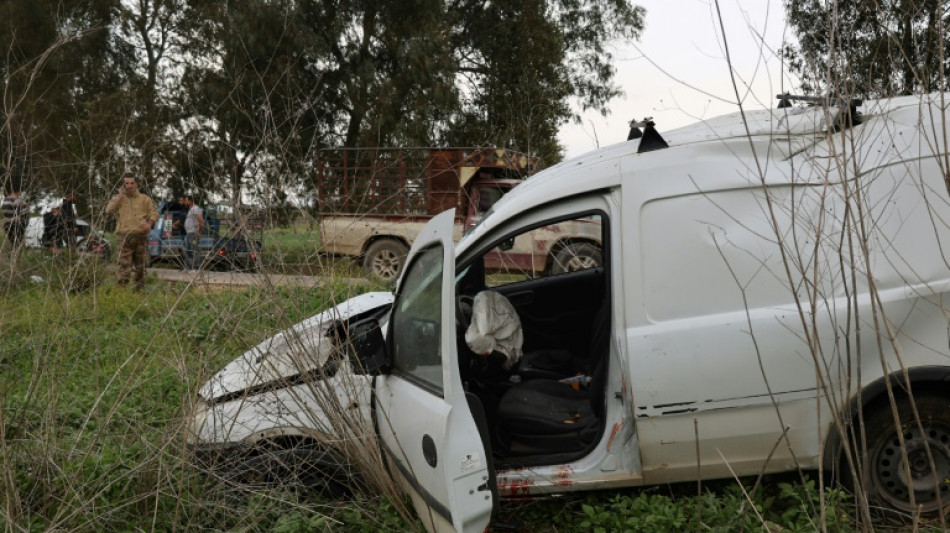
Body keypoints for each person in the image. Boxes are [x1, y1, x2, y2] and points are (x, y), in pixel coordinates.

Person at [106, 173, 158, 289]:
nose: (129, 186)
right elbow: (109, 211)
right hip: (124, 237)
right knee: (124, 266)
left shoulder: (145, 199)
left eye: (132, 183)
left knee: (141, 267)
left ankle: (139, 291)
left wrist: (149, 224)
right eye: (126, 183)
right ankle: (121, 292)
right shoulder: (118, 198)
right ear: (123, 185)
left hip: (141, 237)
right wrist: (120, 197)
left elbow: (154, 213)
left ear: (137, 184)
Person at [182, 195, 205, 270]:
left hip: (193, 233)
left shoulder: (195, 209)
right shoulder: (191, 209)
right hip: (189, 233)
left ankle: (195, 268)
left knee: (194, 250)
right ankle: (187, 267)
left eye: (186, 200)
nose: (185, 202)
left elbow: (201, 221)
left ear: (190, 201)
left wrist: (199, 232)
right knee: (186, 249)